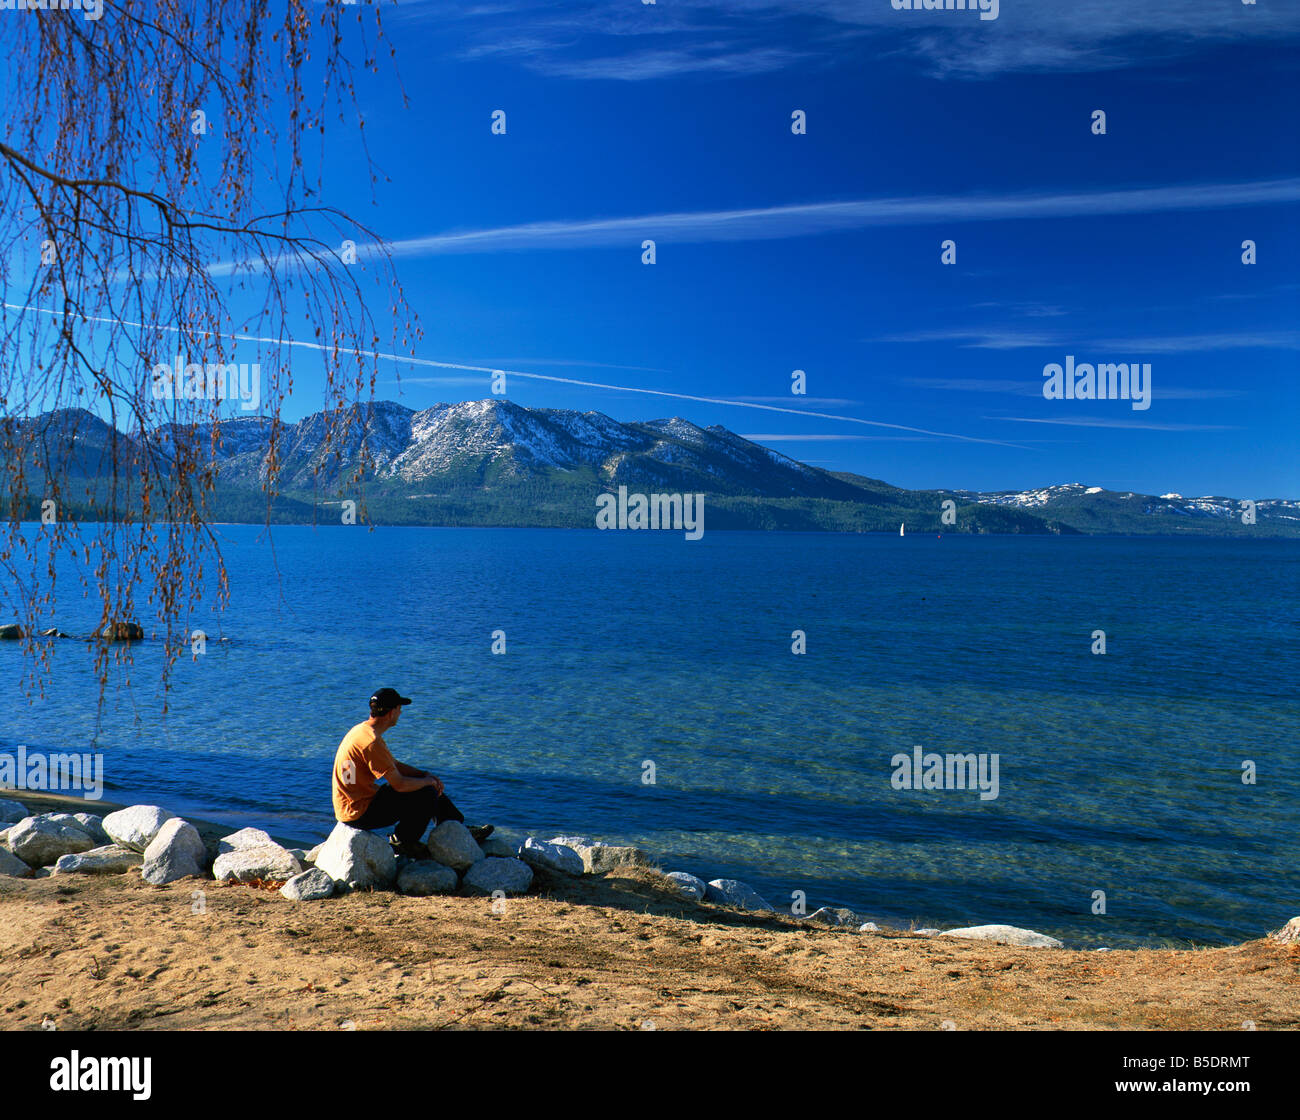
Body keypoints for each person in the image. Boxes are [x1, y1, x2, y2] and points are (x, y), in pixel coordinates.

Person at [332, 687, 492, 859]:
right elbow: (399, 785)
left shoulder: (362, 731)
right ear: (391, 713)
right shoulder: (371, 742)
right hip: (358, 813)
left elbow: (394, 765)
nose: (401, 712)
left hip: (353, 805)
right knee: (426, 793)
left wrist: (424, 774)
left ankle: (456, 827)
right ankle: (403, 841)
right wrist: (428, 783)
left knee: (423, 784)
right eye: (400, 708)